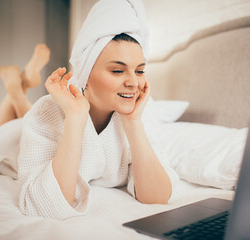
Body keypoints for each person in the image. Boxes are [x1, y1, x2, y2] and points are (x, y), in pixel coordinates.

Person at [15, 0, 179, 220]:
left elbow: (157, 197)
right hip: (12, 139)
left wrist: (132, 122)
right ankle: (15, 94)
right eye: (118, 71)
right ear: (85, 73)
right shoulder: (47, 112)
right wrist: (75, 117)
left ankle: (16, 92)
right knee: (8, 128)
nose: (133, 83)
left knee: (18, 113)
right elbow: (46, 206)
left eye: (139, 71)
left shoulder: (139, 113)